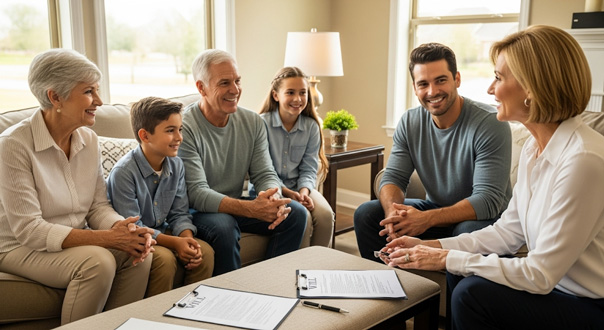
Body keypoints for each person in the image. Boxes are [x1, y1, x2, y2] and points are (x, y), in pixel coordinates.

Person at [379, 25, 604, 330]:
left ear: (532, 88)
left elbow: (540, 274)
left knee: (473, 294)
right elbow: (507, 234)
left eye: (498, 78)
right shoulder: (535, 150)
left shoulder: (583, 160)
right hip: (557, 288)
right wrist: (433, 248)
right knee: (465, 272)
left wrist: (446, 259)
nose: (490, 89)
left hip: (589, 303)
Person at [0, 49, 155, 325]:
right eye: (88, 91)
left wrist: (123, 228)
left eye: (97, 90)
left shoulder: (89, 139)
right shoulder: (13, 145)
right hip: (17, 246)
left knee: (137, 253)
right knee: (98, 261)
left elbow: (97, 207)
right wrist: (107, 239)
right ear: (55, 97)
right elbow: (30, 230)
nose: (99, 100)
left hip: (72, 240)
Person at [354, 42, 512, 260]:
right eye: (423, 84)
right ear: (414, 87)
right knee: (367, 214)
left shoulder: (489, 123)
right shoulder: (410, 122)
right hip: (436, 208)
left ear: (456, 79)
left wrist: (426, 219)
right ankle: (388, 285)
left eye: (441, 80)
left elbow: (487, 200)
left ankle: (449, 294)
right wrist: (393, 213)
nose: (432, 91)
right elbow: (393, 178)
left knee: (465, 231)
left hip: (484, 218)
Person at [178, 49, 307, 276]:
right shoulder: (185, 127)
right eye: (225, 83)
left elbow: (264, 172)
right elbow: (196, 193)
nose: (235, 90)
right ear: (201, 88)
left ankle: (272, 282)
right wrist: (252, 209)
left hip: (234, 204)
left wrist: (273, 200)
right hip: (197, 210)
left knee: (294, 213)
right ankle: (233, 298)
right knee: (224, 227)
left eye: (237, 81)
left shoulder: (252, 122)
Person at [106, 96, 214, 297]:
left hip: (163, 232)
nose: (179, 137)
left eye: (180, 129)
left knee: (204, 252)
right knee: (164, 260)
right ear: (145, 136)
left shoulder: (176, 164)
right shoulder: (124, 172)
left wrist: (187, 240)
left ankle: (190, 317)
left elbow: (180, 213)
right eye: (170, 130)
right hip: (136, 240)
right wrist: (175, 243)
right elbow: (133, 229)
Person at [256, 66, 334, 247]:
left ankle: (318, 265)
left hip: (300, 188)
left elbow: (309, 168)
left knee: (325, 216)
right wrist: (287, 192)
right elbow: (262, 169)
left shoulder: (311, 127)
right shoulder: (261, 124)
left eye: (303, 93)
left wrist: (304, 192)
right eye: (290, 92)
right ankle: (300, 267)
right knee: (303, 216)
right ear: (276, 95)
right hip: (270, 189)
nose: (298, 99)